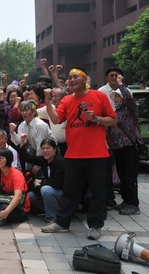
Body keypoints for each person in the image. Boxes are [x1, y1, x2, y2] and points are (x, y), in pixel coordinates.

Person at [41, 67, 117, 240]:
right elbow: (55, 119)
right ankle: (62, 223)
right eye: (69, 77)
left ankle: (95, 226)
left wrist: (96, 119)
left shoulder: (99, 96)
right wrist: (47, 100)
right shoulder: (67, 100)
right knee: (70, 191)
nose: (71, 80)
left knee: (98, 192)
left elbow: (113, 120)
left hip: (97, 155)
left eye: (75, 76)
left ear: (85, 79)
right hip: (73, 155)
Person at [108, 76, 141, 215]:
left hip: (128, 146)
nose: (116, 98)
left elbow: (128, 97)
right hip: (118, 148)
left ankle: (134, 204)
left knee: (129, 177)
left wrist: (121, 83)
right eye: (114, 96)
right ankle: (126, 201)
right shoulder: (116, 111)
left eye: (118, 96)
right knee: (122, 176)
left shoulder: (130, 109)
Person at [20, 137, 65, 223]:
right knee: (30, 195)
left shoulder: (60, 161)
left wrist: (41, 183)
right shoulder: (44, 160)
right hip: (52, 190)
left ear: (55, 149)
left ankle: (52, 218)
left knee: (45, 189)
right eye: (43, 148)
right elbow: (28, 158)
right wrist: (22, 143)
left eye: (48, 148)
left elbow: (58, 183)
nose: (45, 151)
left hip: (62, 194)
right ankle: (55, 211)